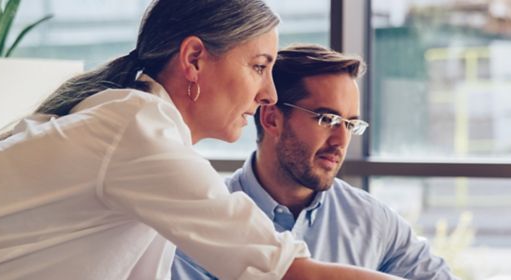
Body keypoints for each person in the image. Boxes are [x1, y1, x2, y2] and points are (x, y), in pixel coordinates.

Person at [0, 1, 400, 279]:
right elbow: (284, 271)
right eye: (259, 66)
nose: (269, 93)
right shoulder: (135, 130)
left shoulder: (133, 129)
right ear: (194, 59)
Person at [172, 44, 458, 280]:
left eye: (350, 125)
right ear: (271, 118)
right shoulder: (206, 221)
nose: (341, 141)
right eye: (327, 119)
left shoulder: (371, 220)